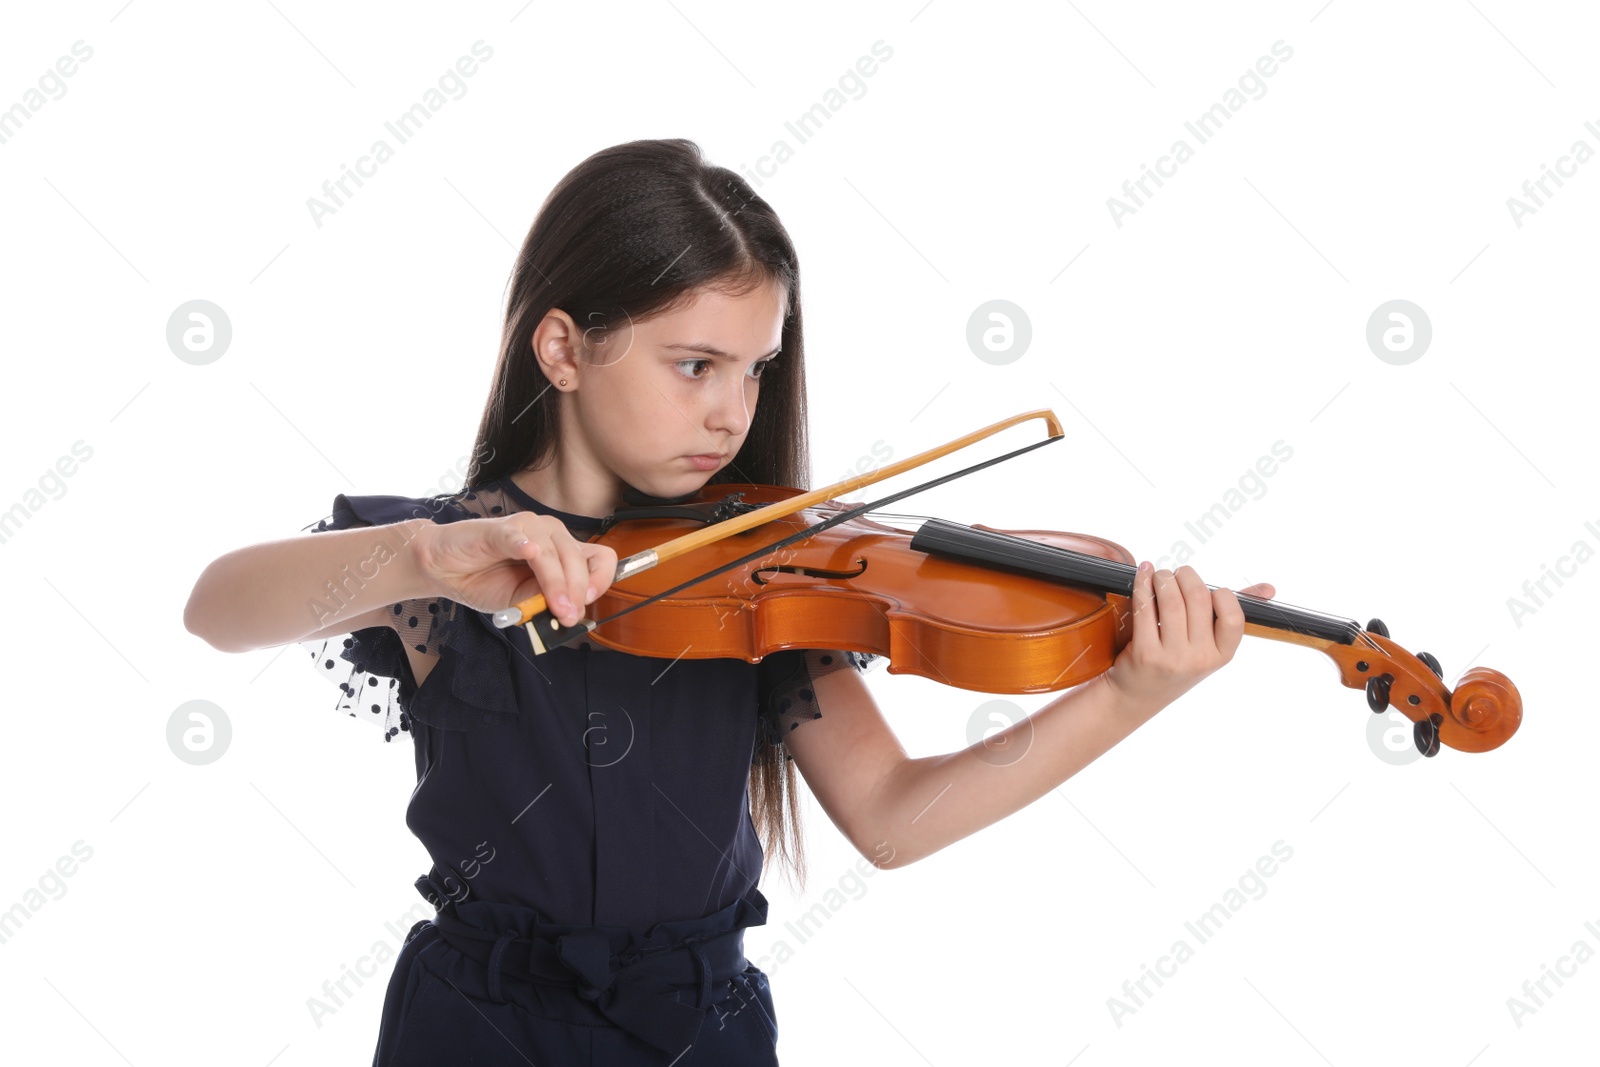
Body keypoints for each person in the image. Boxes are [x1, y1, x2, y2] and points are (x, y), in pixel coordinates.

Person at [184, 137, 1274, 1066]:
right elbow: (218, 608)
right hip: (475, 1027)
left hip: (699, 1028)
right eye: (694, 364)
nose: (731, 412)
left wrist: (1130, 692)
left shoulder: (762, 574)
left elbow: (893, 815)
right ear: (562, 347)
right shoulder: (446, 565)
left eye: (755, 369)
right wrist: (425, 551)